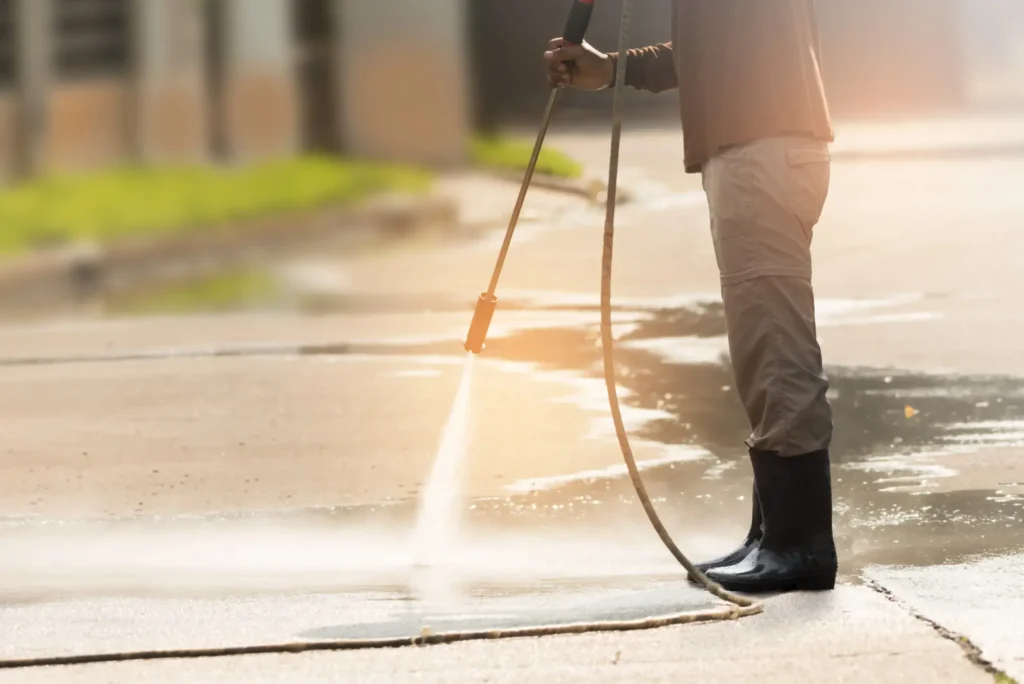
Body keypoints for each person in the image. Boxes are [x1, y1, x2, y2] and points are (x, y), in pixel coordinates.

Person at [545, 0, 838, 593]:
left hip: (761, 149)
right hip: (753, 150)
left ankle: (801, 544)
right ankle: (773, 533)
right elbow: (705, 49)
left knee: (774, 349)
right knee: (762, 346)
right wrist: (613, 70)